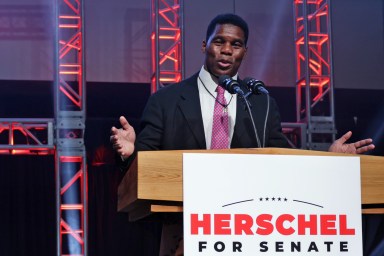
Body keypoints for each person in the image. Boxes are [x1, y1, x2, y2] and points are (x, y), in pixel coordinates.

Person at [110, 13, 375, 255]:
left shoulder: (260, 102)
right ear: (205, 46)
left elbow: (282, 157)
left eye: (235, 45)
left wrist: (329, 159)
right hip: (184, 228)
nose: (226, 50)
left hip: (246, 230)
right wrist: (132, 152)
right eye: (219, 42)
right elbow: (147, 163)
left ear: (244, 52)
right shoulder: (166, 100)